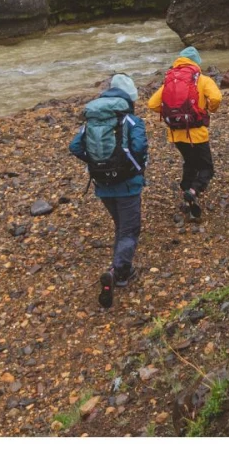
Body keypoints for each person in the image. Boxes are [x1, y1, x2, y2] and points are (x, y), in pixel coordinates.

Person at [68, 73, 149, 309]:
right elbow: (139, 147)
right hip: (128, 184)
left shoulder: (91, 121)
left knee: (121, 226)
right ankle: (118, 271)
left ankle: (122, 266)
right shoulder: (130, 120)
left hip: (102, 184)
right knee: (130, 230)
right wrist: (135, 167)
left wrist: (96, 164)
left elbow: (75, 146)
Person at [147, 46, 223, 221]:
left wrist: (172, 113)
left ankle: (186, 191)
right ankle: (193, 190)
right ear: (196, 62)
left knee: (189, 162)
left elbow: (152, 104)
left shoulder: (170, 81)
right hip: (197, 133)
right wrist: (210, 109)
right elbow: (216, 98)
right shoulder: (202, 80)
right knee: (206, 168)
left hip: (176, 133)